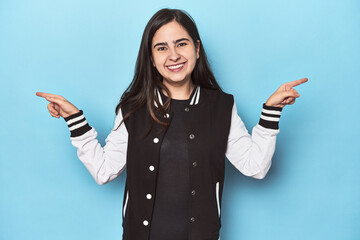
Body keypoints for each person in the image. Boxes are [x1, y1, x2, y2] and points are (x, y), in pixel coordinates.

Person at [36, 8, 307, 240]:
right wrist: (75, 120)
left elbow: (255, 167)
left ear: (197, 49)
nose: (173, 55)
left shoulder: (221, 107)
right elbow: (104, 171)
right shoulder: (133, 108)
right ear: (152, 59)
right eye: (161, 48)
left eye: (182, 44)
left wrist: (271, 112)